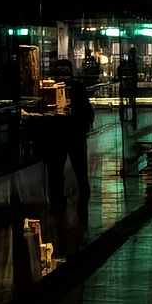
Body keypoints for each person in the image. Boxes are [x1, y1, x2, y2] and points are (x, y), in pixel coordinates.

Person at [44, 58, 94, 211]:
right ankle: (83, 195)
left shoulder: (50, 90)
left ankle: (58, 200)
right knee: (79, 168)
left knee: (56, 170)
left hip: (57, 136)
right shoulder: (78, 87)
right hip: (75, 134)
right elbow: (87, 112)